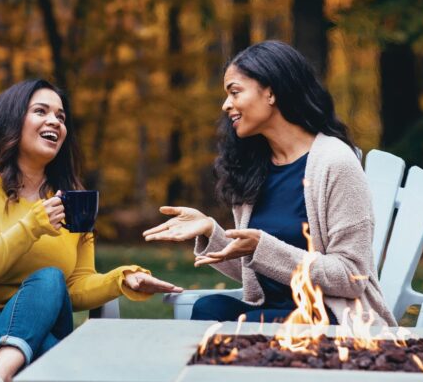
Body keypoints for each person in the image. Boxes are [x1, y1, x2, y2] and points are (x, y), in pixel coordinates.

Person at [0, 79, 183, 382]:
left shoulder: (72, 201)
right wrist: (31, 227)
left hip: (36, 319)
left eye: (61, 117)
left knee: (51, 280)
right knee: (56, 355)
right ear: (12, 120)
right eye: (41, 111)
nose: (54, 121)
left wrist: (122, 280)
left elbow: (75, 287)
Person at [144, 41, 397, 326]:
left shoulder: (335, 163)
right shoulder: (254, 168)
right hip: (271, 312)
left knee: (243, 328)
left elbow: (351, 277)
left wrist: (261, 246)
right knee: (209, 308)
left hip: (331, 317)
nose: (226, 104)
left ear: (271, 92)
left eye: (235, 92)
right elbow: (259, 270)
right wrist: (210, 231)